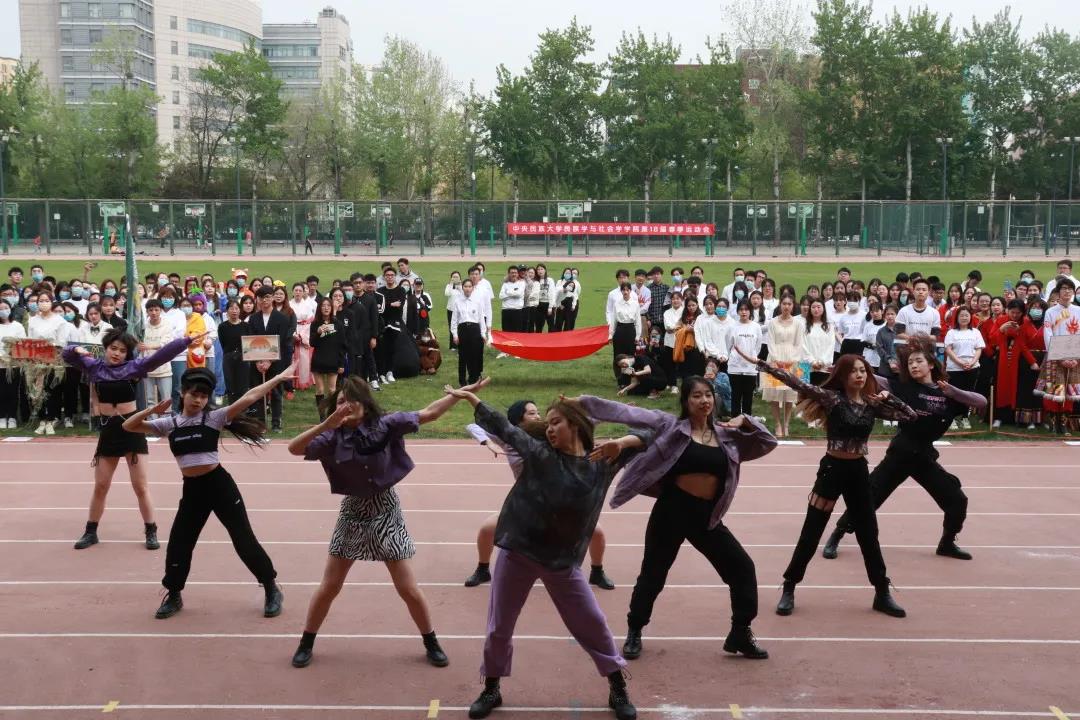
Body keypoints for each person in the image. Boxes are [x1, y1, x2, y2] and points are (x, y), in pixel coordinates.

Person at [448, 387, 644, 720]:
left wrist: (622, 443)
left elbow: (653, 433)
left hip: (561, 562)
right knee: (499, 626)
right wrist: (472, 399)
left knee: (592, 622)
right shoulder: (540, 454)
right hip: (519, 552)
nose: (549, 429)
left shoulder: (602, 463)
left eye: (556, 423)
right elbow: (505, 428)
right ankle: (491, 686)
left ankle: (617, 686)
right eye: (548, 423)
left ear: (576, 425)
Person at [286, 377, 485, 670]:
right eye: (339, 401)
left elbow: (430, 413)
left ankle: (431, 641)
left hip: (385, 509)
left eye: (350, 400)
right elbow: (294, 448)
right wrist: (326, 425)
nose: (344, 406)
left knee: (407, 588)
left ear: (365, 405)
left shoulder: (386, 425)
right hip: (353, 511)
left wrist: (462, 394)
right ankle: (306, 642)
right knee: (330, 586)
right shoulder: (332, 437)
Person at [576, 382, 777, 663]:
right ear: (685, 401)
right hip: (672, 510)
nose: (704, 400)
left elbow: (767, 441)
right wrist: (583, 403)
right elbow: (628, 414)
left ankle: (740, 633)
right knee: (653, 574)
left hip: (707, 516)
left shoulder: (727, 436)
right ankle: (635, 630)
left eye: (708, 395)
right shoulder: (672, 427)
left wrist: (745, 419)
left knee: (742, 568)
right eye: (696, 395)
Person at [733, 346, 916, 618]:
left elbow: (910, 416)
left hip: (858, 471)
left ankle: (881, 591)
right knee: (812, 531)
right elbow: (796, 382)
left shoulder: (872, 404)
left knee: (869, 534)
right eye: (853, 371)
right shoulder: (832, 399)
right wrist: (762, 363)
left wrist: (890, 398)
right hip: (832, 469)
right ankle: (789, 585)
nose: (860, 375)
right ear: (842, 376)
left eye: (863, 371)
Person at [123, 366, 290, 620]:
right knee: (179, 543)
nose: (198, 400)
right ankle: (174, 594)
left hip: (219, 486)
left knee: (243, 539)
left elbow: (250, 397)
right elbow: (129, 426)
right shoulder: (169, 424)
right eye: (194, 394)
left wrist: (277, 378)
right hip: (192, 491)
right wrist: (152, 410)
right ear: (183, 393)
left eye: (203, 396)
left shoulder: (214, 418)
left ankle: (271, 587)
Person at [462, 399, 621, 590]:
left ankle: (597, 571)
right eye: (531, 413)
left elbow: (583, 422)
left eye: (538, 412)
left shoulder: (551, 437)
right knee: (487, 530)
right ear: (518, 420)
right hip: (529, 505)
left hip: (561, 505)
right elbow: (472, 425)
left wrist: (619, 414)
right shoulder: (510, 439)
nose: (538, 416)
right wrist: (487, 442)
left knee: (597, 533)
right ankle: (483, 569)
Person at [63, 330, 199, 551]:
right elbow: (67, 355)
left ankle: (151, 531)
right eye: (113, 348)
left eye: (122, 350)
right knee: (101, 486)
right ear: (106, 348)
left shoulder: (134, 368)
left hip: (133, 429)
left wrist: (186, 341)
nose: (117, 353)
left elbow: (162, 355)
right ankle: (91, 532)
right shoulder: (95, 367)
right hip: (109, 430)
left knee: (140, 486)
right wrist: (76, 349)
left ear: (128, 354)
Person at [246, 287, 292, 431]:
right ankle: (261, 423)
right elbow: (250, 340)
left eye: (267, 297)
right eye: (260, 298)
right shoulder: (253, 318)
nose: (264, 300)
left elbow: (282, 341)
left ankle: (276, 423)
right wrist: (258, 361)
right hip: (257, 362)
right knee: (259, 392)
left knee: (276, 392)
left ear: (272, 298)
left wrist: (269, 361)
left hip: (276, 362)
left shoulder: (282, 318)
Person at [762, 295, 804, 437]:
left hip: (793, 361)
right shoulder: (773, 322)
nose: (786, 306)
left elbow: (799, 343)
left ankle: (786, 424)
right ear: (780, 305)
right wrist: (777, 360)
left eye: (789, 304)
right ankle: (777, 424)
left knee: (790, 394)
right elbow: (771, 342)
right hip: (775, 360)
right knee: (774, 393)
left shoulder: (798, 323)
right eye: (784, 303)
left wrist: (791, 360)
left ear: (793, 306)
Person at [942, 307, 985, 429]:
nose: (964, 318)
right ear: (957, 318)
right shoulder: (951, 332)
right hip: (955, 368)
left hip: (972, 367)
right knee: (953, 394)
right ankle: (952, 418)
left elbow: (979, 349)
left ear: (970, 317)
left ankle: (964, 417)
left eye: (966, 315)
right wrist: (960, 362)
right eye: (961, 315)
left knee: (968, 394)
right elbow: (948, 350)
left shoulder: (975, 332)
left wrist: (972, 362)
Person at [309, 297, 345, 419]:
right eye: (323, 305)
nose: (326, 308)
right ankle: (322, 417)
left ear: (332, 308)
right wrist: (318, 333)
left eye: (328, 306)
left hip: (333, 360)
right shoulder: (315, 324)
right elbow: (312, 343)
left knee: (332, 390)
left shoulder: (338, 324)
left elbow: (342, 345)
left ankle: (332, 414)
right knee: (319, 390)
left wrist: (341, 363)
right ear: (319, 308)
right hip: (318, 359)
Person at [451, 278, 488, 387]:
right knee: (463, 356)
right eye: (465, 286)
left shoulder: (477, 301)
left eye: (469, 286)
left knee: (474, 355)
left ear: (473, 288)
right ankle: (462, 381)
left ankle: (473, 379)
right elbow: (454, 320)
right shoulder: (457, 302)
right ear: (462, 288)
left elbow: (481, 319)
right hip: (463, 329)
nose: (467, 289)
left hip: (474, 330)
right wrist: (455, 335)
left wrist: (483, 333)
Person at [608, 283, 641, 386]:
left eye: (627, 290)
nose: (625, 292)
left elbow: (638, 321)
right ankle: (620, 380)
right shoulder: (617, 303)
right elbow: (613, 320)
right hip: (620, 330)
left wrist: (637, 336)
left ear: (630, 291)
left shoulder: (635, 304)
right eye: (623, 290)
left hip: (631, 330)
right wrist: (610, 335)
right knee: (618, 356)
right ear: (621, 291)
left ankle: (629, 379)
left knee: (630, 356)